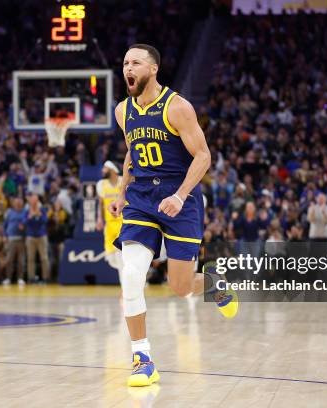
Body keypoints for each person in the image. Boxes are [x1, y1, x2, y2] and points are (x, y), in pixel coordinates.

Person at [110, 44, 237, 387]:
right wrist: (121, 191)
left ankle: (213, 283)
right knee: (131, 275)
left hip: (179, 198)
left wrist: (180, 196)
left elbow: (203, 156)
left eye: (135, 62)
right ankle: (142, 358)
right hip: (141, 200)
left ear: (152, 69)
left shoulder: (177, 107)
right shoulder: (123, 110)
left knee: (180, 287)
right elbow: (132, 153)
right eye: (124, 63)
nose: (127, 68)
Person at [96, 161, 124, 279]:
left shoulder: (123, 181)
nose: (102, 170)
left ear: (112, 170)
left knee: (121, 258)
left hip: (123, 224)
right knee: (111, 258)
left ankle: (125, 291)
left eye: (105, 168)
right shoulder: (101, 184)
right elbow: (100, 203)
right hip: (109, 225)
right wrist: (99, 218)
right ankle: (131, 274)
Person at [24, 193, 50, 283]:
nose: (34, 202)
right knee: (31, 258)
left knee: (44, 258)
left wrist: (38, 214)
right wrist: (30, 216)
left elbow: (45, 220)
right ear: (30, 201)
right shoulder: (27, 211)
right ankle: (31, 278)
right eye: (33, 200)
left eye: (36, 200)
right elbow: (24, 222)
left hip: (41, 236)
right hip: (30, 237)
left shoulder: (42, 210)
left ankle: (45, 278)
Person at [3, 197, 26, 285]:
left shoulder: (25, 212)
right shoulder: (9, 212)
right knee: (9, 259)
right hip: (11, 239)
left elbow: (26, 223)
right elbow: (5, 225)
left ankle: (20, 278)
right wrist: (4, 236)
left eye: (20, 202)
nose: (18, 204)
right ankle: (8, 278)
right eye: (16, 202)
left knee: (21, 260)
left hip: (21, 239)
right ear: (13, 203)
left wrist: (24, 227)